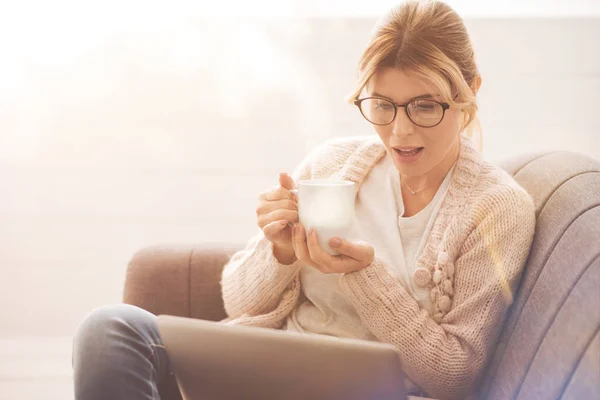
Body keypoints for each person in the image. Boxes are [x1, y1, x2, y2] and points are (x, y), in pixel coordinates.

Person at [72, 1, 536, 399]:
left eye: (425, 105)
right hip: (262, 373)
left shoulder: (496, 209)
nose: (400, 131)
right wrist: (279, 251)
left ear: (469, 92)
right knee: (108, 328)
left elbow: (453, 373)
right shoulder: (334, 165)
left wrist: (361, 274)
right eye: (382, 105)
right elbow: (237, 300)